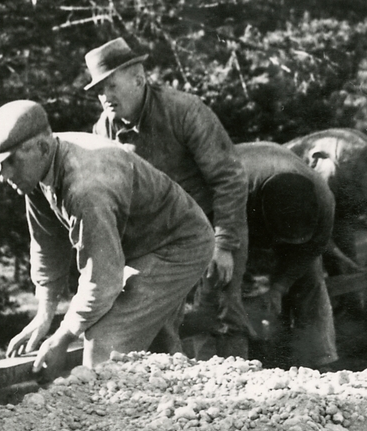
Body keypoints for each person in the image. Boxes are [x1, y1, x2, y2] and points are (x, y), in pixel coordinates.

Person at [0, 100, 214, 373]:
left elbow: (102, 280)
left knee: (104, 343)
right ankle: (175, 394)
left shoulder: (87, 188)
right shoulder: (38, 166)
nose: (3, 175)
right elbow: (47, 244)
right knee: (152, 344)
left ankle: (115, 401)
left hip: (178, 246)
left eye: (10, 161)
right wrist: (43, 317)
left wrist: (63, 337)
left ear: (42, 147)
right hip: (142, 246)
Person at [86, 37, 250, 357]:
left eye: (111, 86)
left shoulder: (184, 111)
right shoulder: (104, 130)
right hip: (159, 242)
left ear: (138, 79)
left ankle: (238, 387)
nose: (105, 97)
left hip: (211, 228)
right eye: (99, 90)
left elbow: (229, 178)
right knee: (159, 328)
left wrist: (224, 244)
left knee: (221, 317)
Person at [235, 142, 339, 370]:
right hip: (240, 219)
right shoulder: (236, 187)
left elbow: (311, 251)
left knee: (311, 281)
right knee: (240, 289)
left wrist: (279, 287)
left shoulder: (324, 200)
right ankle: (240, 359)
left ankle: (319, 360)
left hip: (268, 207)